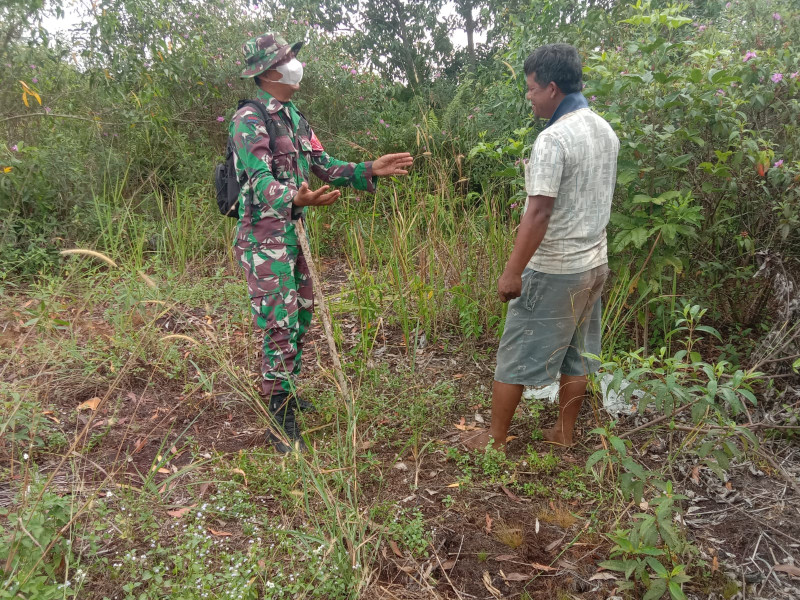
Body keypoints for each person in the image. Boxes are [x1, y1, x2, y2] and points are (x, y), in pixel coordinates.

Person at [230, 32, 413, 453]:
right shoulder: (249, 120)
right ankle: (278, 413)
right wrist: (294, 197)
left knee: (303, 315)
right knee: (279, 321)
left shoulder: (295, 118)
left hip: (294, 235)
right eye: (289, 58)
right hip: (264, 240)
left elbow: (324, 166)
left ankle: (288, 389)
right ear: (270, 71)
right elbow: (259, 181)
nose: (296, 63)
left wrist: (369, 167)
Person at [465, 43, 619, 450]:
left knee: (515, 351)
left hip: (556, 268)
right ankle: (563, 434)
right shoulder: (604, 129)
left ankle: (495, 439)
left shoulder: (553, 139)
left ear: (552, 88)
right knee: (578, 354)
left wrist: (512, 272)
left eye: (531, 89)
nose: (529, 97)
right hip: (594, 263)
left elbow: (538, 214)